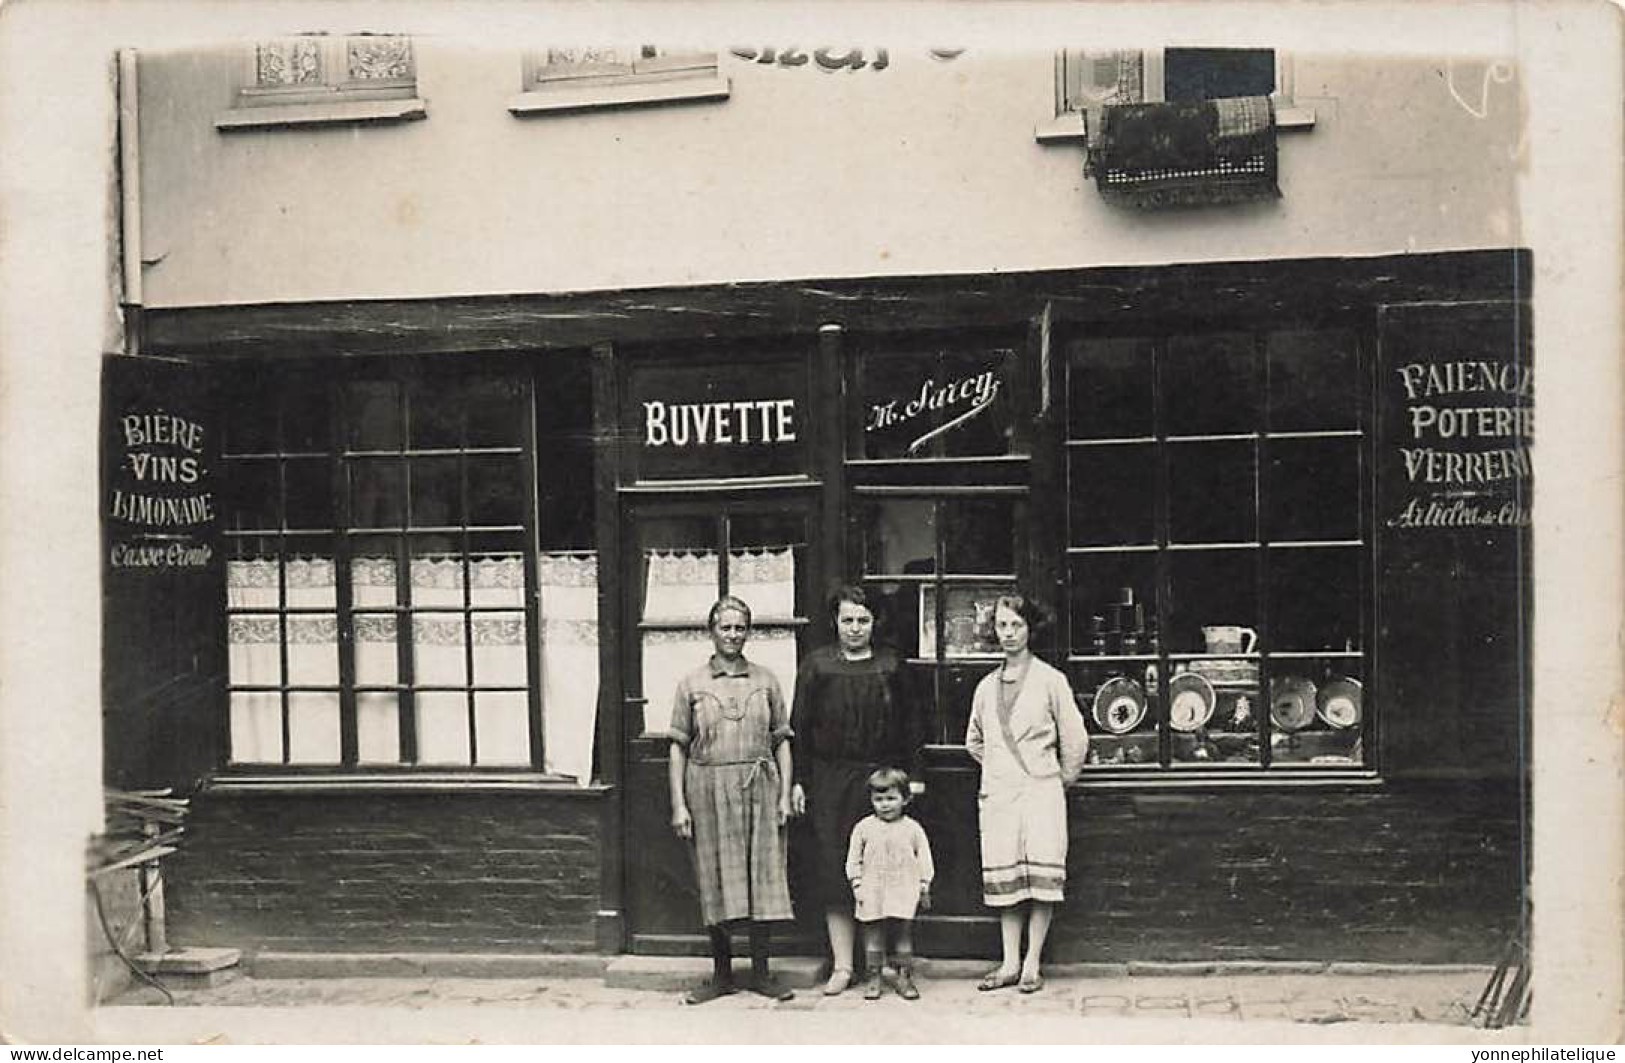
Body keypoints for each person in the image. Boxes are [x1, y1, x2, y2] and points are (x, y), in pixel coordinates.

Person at [789, 584, 925, 996]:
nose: (854, 628)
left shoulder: (890, 665)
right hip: (831, 781)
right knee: (837, 870)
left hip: (880, 781)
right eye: (847, 619)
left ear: (874, 623)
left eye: (862, 620)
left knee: (885, 870)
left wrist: (914, 775)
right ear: (836, 621)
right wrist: (799, 780)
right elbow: (800, 728)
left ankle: (882, 968)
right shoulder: (817, 665)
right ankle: (844, 965)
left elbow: (913, 723)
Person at [668, 595, 796, 1004]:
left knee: (763, 879)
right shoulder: (691, 684)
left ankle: (761, 974)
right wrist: (678, 804)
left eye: (740, 627)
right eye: (725, 627)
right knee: (714, 878)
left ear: (748, 632)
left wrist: (783, 796)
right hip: (706, 788)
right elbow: (677, 749)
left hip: (760, 787)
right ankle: (722, 975)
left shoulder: (766, 680)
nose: (733, 635)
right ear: (711, 631)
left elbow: (781, 741)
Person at [965, 592, 1089, 995]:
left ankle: (1032, 961)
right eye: (1002, 625)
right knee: (1007, 880)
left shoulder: (1051, 681)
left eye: (1016, 625)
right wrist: (1002, 770)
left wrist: (1054, 779)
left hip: (1041, 793)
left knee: (1041, 878)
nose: (1009, 633)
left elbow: (1075, 739)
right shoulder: (985, 688)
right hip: (1000, 795)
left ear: (1030, 629)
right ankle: (1009, 962)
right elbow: (974, 741)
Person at [845, 767, 935, 1001]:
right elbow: (854, 858)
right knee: (873, 935)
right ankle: (874, 976)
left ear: (905, 799)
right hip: (872, 888)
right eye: (879, 799)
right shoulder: (863, 828)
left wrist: (924, 883)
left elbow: (924, 857)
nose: (885, 805)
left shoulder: (913, 828)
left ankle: (904, 976)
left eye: (891, 799)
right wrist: (856, 883)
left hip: (903, 887)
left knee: (903, 935)